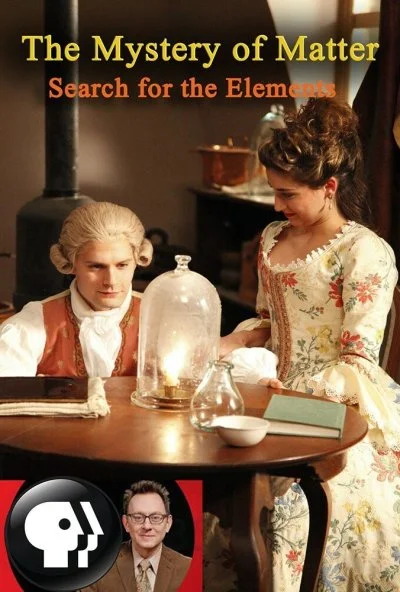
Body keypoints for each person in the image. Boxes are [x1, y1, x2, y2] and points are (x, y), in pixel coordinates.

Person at [205, 98, 400, 591]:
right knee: (212, 477)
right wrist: (228, 343)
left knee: (285, 503)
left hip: (336, 409)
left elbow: (358, 361)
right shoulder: (273, 237)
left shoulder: (364, 252)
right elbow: (268, 322)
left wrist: (293, 396)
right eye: (274, 192)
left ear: (329, 187)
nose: (277, 206)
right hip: (270, 392)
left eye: (287, 194)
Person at [0, 201, 153, 377]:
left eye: (122, 265)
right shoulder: (32, 324)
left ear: (136, 261)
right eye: (96, 266)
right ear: (71, 264)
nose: (111, 281)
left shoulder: (159, 318)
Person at [81, 480, 191, 591]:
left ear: (168, 523)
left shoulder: (189, 568)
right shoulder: (99, 566)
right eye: (138, 517)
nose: (147, 526)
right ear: (126, 523)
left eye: (155, 518)